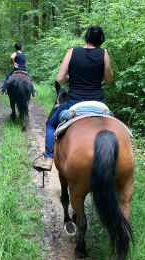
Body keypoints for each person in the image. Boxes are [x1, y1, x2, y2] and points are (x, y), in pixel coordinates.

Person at [33, 25, 113, 171]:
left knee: (51, 125)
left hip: (74, 101)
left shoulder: (72, 52)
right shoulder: (104, 54)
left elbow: (60, 78)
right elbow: (108, 80)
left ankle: (48, 158)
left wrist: (72, 77)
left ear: (86, 37)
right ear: (101, 40)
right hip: (98, 102)